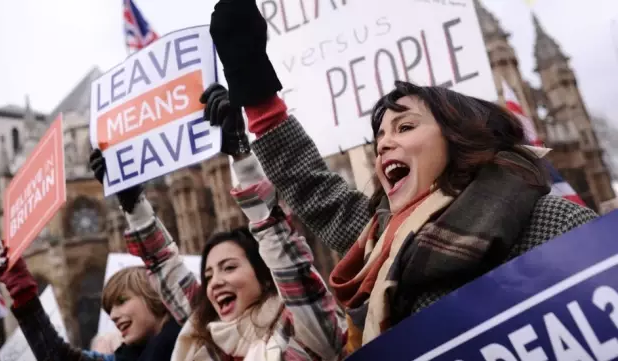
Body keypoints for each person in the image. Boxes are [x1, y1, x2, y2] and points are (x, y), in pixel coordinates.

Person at [205, 0, 598, 353]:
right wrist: (252, 84)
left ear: (458, 138)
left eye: (405, 127)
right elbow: (311, 186)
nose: (383, 145)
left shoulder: (551, 221)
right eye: (379, 137)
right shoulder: (384, 244)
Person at [88, 145, 346, 359]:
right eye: (208, 275)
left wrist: (243, 158)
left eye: (229, 267)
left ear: (266, 275)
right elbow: (164, 265)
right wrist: (133, 205)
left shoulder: (305, 332)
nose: (215, 282)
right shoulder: (211, 341)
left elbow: (276, 238)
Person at [0, 248, 181, 361]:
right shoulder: (125, 357)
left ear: (155, 295)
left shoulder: (194, 338)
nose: (113, 315)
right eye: (109, 309)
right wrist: (24, 297)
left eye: (122, 301)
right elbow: (60, 357)